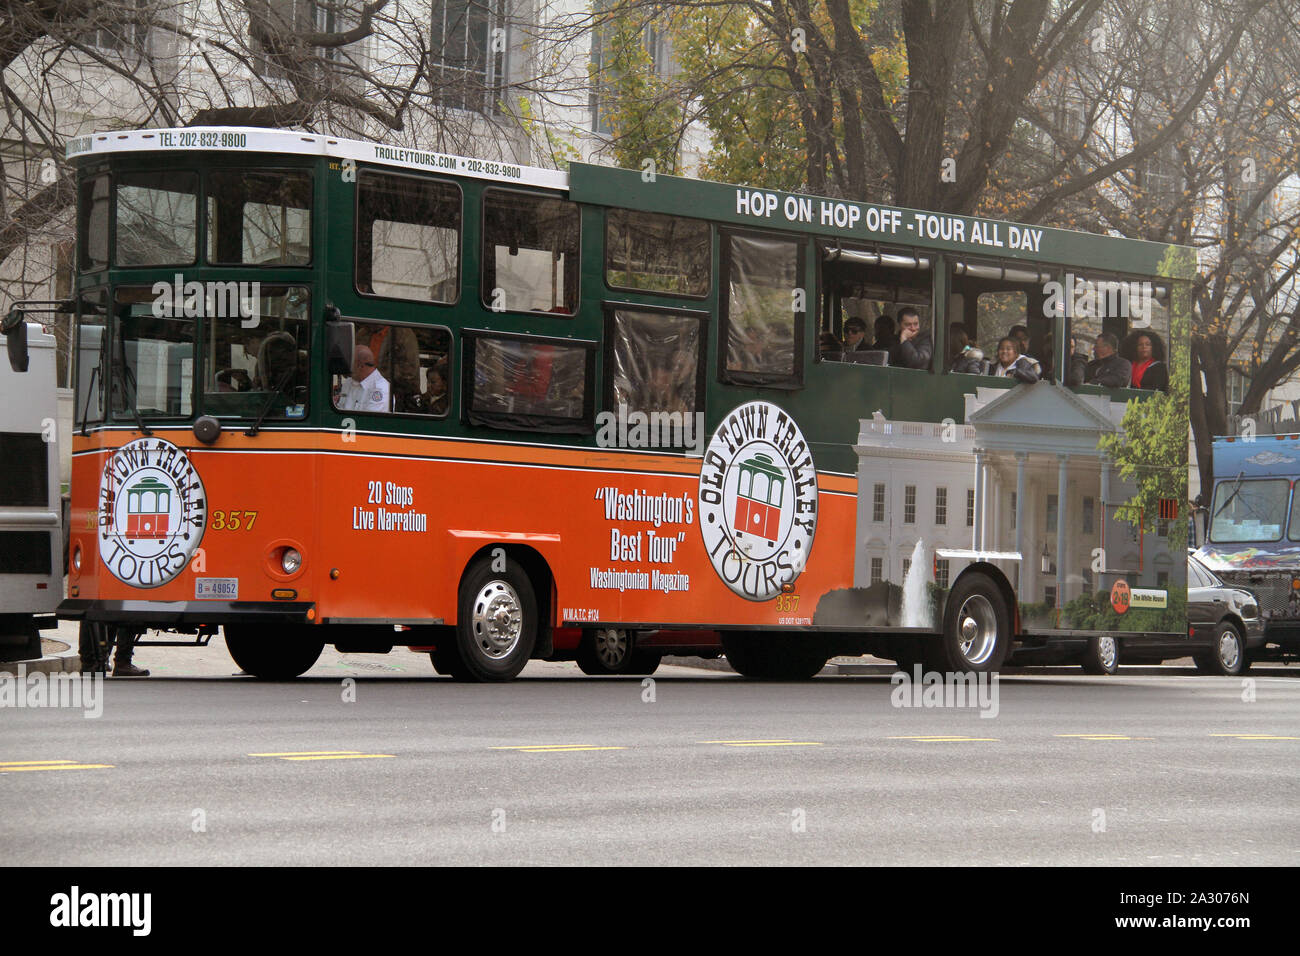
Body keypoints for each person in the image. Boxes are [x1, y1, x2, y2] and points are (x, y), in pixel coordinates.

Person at [337, 345, 390, 412]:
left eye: (350, 364)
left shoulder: (381, 390)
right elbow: (340, 409)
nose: (347, 368)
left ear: (361, 366)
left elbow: (368, 421)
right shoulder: (349, 382)